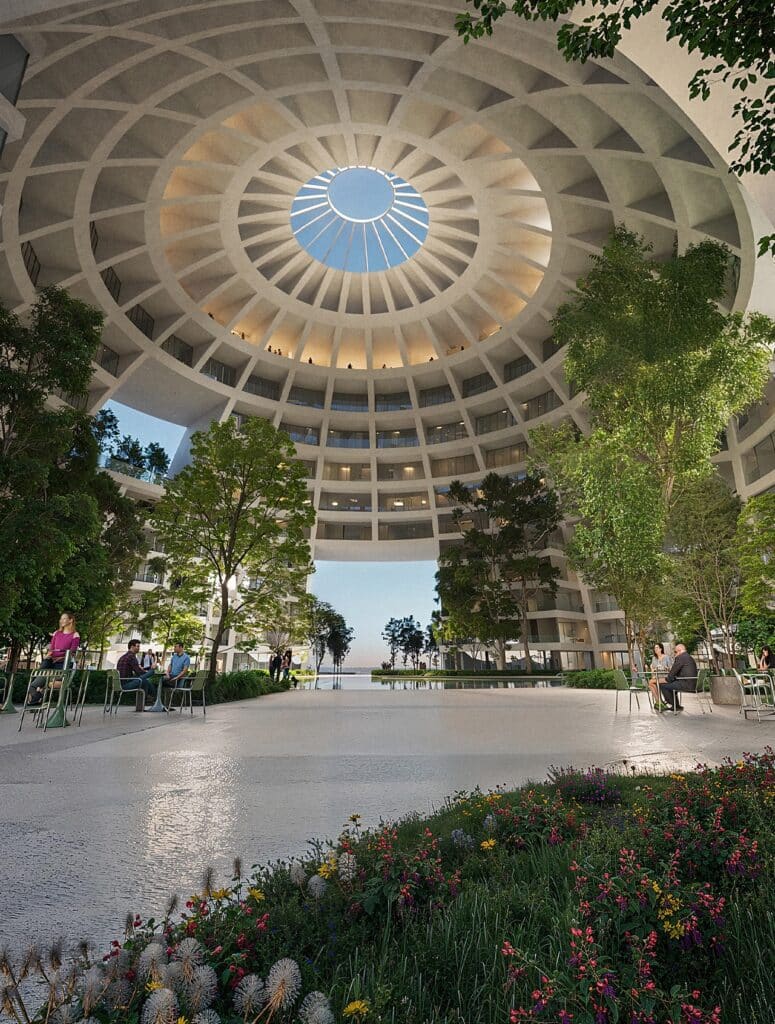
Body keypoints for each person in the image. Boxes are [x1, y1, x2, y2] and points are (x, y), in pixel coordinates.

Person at [26, 611, 80, 706]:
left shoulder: (75, 635)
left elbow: (72, 652)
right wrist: (49, 655)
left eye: (64, 618)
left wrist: (60, 656)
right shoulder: (56, 633)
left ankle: (38, 696)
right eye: (61, 618)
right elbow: (52, 649)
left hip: (64, 664)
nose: (61, 620)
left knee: (50, 683)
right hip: (51, 663)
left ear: (70, 620)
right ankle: (37, 698)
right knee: (33, 685)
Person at [658, 642, 698, 712]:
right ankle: (676, 705)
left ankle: (674, 705)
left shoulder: (680, 657)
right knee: (672, 684)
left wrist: (658, 680)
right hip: (692, 683)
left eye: (675, 652)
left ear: (679, 650)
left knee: (663, 685)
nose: (675, 654)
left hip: (687, 684)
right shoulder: (689, 657)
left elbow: (670, 677)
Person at [116, 639, 156, 709]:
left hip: (121, 682)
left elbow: (136, 671)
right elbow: (139, 672)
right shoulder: (131, 656)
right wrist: (151, 669)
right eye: (137, 646)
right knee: (151, 673)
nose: (139, 648)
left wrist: (141, 670)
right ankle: (155, 697)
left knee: (145, 681)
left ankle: (148, 699)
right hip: (125, 684)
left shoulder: (124, 656)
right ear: (132, 647)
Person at [649, 642, 673, 708]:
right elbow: (653, 669)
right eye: (654, 648)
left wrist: (666, 668)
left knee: (650, 682)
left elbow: (671, 668)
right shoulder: (654, 658)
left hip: (666, 677)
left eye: (657, 648)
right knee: (651, 684)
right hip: (657, 677)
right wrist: (653, 669)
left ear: (661, 649)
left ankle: (659, 702)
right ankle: (659, 702)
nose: (655, 649)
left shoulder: (666, 657)